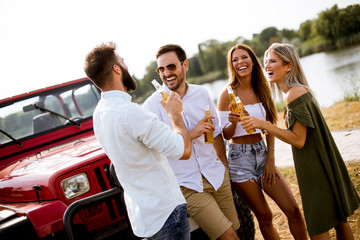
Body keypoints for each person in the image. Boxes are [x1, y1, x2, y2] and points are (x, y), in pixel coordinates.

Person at [241, 43, 360, 240]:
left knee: (319, 230)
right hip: (324, 164)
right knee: (340, 222)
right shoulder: (299, 91)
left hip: (315, 171)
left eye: (273, 61)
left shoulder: (293, 94)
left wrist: (266, 125)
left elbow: (299, 141)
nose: (267, 66)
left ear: (289, 66)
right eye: (265, 62)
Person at [84, 42, 192, 240]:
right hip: (165, 212)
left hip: (143, 218)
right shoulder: (132, 113)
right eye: (123, 62)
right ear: (116, 69)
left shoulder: (98, 114)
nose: (126, 65)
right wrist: (175, 115)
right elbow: (183, 150)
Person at [143, 44, 240, 240]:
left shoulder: (202, 93)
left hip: (216, 174)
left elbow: (217, 133)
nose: (166, 73)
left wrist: (225, 167)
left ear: (184, 65)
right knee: (228, 236)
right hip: (187, 184)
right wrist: (192, 133)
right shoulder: (151, 106)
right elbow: (157, 149)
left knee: (235, 228)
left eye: (171, 66)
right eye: (161, 69)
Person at [217, 44, 308, 240]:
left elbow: (269, 124)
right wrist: (232, 124)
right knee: (265, 216)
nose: (240, 62)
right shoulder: (227, 94)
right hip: (239, 160)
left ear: (252, 60)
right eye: (235, 59)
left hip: (263, 151)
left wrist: (271, 159)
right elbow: (225, 134)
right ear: (231, 65)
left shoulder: (262, 87)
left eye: (244, 57)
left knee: (293, 210)